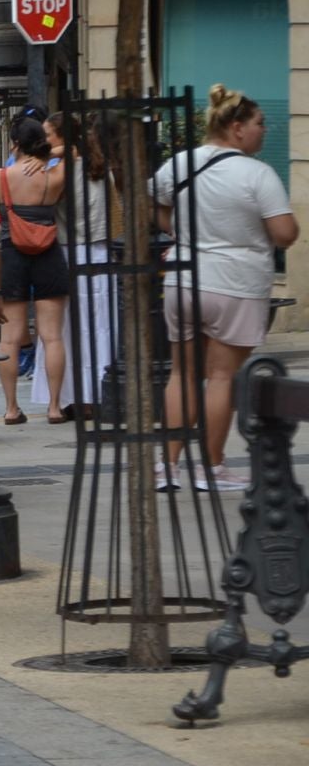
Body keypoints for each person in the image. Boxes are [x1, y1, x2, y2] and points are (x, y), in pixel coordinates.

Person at [153, 84, 299, 492]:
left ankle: (167, 466)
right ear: (236, 128)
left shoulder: (179, 164)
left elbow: (157, 204)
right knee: (220, 378)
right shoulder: (257, 174)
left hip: (184, 280)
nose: (264, 130)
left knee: (181, 373)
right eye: (259, 123)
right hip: (236, 282)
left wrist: (181, 230)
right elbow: (285, 233)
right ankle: (211, 469)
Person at [30, 112, 112, 420]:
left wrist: (47, 156)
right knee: (98, 329)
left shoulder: (60, 170)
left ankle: (70, 396)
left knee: (68, 330)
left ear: (61, 137)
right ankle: (96, 395)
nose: (44, 142)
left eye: (48, 136)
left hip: (68, 254)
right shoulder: (100, 165)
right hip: (101, 254)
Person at [0, 116, 70, 425]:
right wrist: (51, 155)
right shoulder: (54, 176)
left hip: (12, 255)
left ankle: (11, 408)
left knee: (9, 337)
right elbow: (78, 151)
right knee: (52, 336)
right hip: (49, 253)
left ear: (13, 144)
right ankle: (53, 407)